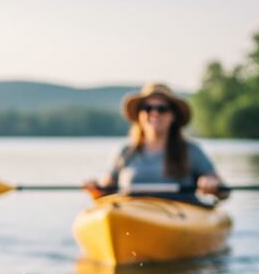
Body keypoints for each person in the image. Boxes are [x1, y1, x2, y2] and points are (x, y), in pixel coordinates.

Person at [84, 82, 226, 204]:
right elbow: (106, 188)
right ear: (140, 115)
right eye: (147, 108)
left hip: (178, 218)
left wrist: (211, 182)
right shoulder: (126, 151)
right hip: (131, 215)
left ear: (173, 116)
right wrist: (96, 188)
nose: (154, 113)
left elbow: (224, 192)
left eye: (162, 108)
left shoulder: (191, 151)